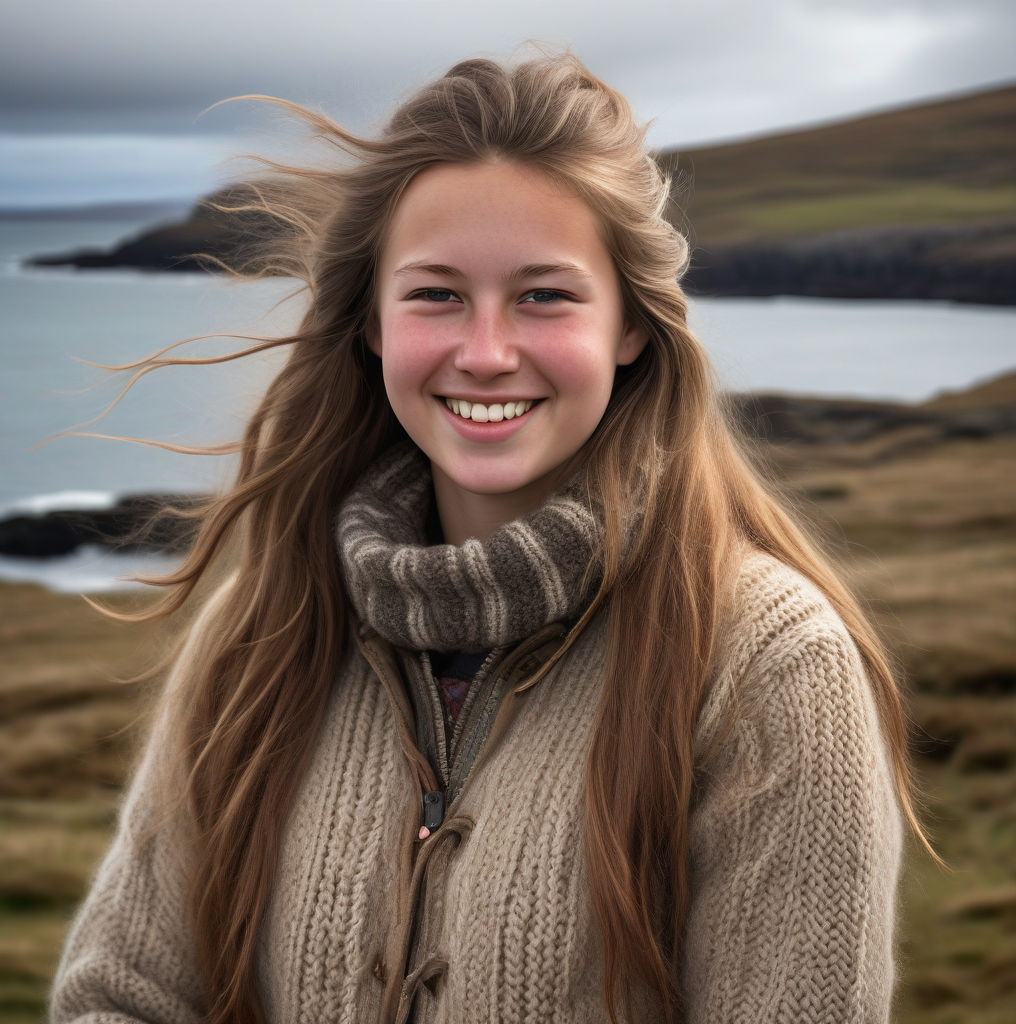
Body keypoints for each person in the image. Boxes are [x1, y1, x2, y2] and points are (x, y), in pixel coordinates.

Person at [50, 53, 926, 1024]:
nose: (486, 352)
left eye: (544, 295)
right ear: (373, 322)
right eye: (436, 294)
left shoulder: (772, 663)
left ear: (631, 323)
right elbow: (121, 997)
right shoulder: (261, 627)